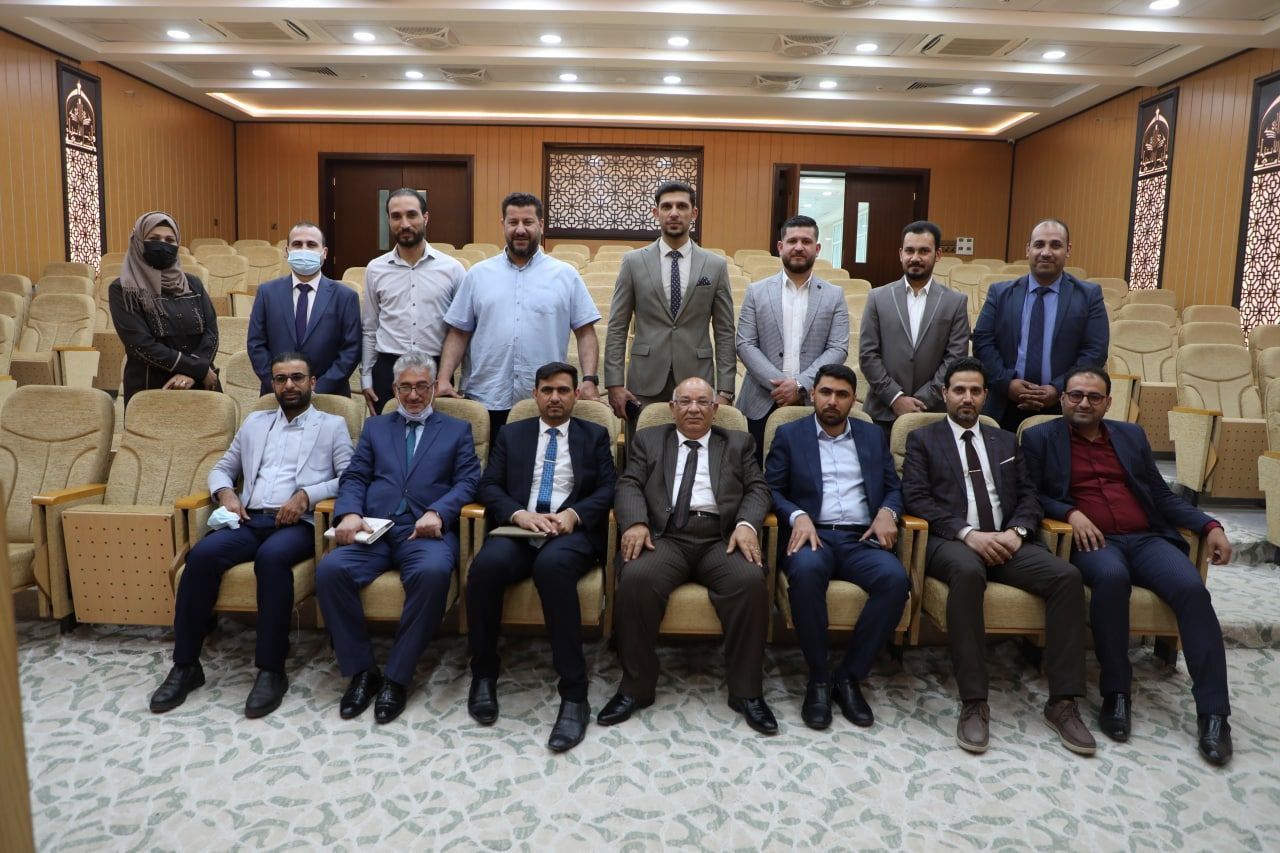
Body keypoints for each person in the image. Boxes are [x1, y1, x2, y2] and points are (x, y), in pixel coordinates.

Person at [1021, 366, 1234, 765]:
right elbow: (1030, 494)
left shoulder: (1131, 435)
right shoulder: (1039, 438)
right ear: (1062, 398)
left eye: (1093, 397)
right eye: (1075, 395)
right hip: (1094, 542)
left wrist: (1210, 525)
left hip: (1146, 538)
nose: (1084, 403)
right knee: (1112, 578)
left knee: (1192, 589)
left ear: (1108, 402)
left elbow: (1160, 495)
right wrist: (1069, 512)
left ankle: (1214, 715)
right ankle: (1116, 693)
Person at [901, 357, 1095, 756]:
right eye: (959, 390)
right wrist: (968, 534)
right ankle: (974, 701)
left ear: (986, 396)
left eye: (975, 391)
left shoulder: (1005, 440)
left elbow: (1029, 496)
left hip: (1007, 541)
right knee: (968, 572)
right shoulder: (923, 440)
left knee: (1067, 577)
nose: (967, 398)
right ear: (945, 394)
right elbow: (917, 499)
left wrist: (1017, 532)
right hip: (952, 543)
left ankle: (1063, 702)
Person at [149, 353, 353, 718]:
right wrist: (226, 493)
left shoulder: (332, 425)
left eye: (297, 377)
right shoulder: (255, 423)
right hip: (250, 519)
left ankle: (271, 670)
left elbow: (350, 476)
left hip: (299, 524)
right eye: (281, 379)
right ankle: (186, 665)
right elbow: (222, 468)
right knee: (201, 557)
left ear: (313, 383)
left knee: (271, 560)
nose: (289, 385)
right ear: (272, 385)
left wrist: (307, 495)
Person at [600, 377, 776, 735]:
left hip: (720, 538)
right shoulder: (649, 439)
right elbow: (629, 483)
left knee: (749, 581)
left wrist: (746, 524)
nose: (693, 409)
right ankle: (635, 688)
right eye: (685, 401)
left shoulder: (738, 442)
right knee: (637, 578)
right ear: (672, 408)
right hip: (665, 537)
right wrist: (636, 522)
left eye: (702, 402)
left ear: (715, 409)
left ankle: (747, 692)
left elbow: (758, 489)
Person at [316, 351, 481, 724]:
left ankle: (397, 678)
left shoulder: (456, 430)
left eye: (421, 386)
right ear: (394, 389)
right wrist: (349, 512)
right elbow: (355, 476)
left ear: (434, 388)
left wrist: (438, 511)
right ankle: (362, 671)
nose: (413, 395)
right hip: (374, 529)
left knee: (432, 573)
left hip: (424, 531)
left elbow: (469, 480)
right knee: (330, 570)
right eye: (405, 387)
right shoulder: (375, 428)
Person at [465, 362, 616, 752]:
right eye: (547, 390)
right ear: (535, 394)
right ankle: (483, 673)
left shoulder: (594, 435)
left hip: (570, 533)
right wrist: (520, 514)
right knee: (485, 567)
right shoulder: (511, 434)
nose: (555, 398)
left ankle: (574, 693)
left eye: (563, 390)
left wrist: (573, 514)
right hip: (521, 528)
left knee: (552, 568)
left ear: (575, 395)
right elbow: (489, 486)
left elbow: (609, 488)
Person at [765, 364, 909, 729]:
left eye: (842, 395)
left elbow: (893, 487)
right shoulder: (789, 434)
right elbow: (771, 489)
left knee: (895, 579)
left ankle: (848, 677)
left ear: (853, 400)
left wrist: (888, 512)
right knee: (807, 572)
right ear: (813, 394)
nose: (832, 401)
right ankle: (818, 678)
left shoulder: (872, 435)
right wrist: (797, 515)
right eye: (826, 392)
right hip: (812, 534)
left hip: (861, 538)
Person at [437, 192, 601, 438]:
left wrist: (589, 379)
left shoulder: (566, 275)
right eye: (513, 222)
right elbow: (459, 332)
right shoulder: (478, 275)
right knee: (488, 462)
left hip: (544, 401)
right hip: (485, 398)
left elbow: (585, 332)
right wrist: (443, 379)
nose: (520, 229)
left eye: (528, 222)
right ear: (503, 224)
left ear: (541, 225)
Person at [603, 182, 736, 429]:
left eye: (682, 206)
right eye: (667, 206)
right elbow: (617, 327)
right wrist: (614, 384)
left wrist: (726, 391)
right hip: (644, 380)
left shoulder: (715, 265)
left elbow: (725, 331)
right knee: (643, 449)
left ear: (693, 213)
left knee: (696, 448)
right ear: (656, 213)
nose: (674, 213)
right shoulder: (633, 262)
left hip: (698, 380)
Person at [972, 219, 1109, 432]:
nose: (1046, 252)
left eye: (1055, 245)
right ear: (1028, 249)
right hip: (1004, 405)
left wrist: (1059, 388)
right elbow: (982, 342)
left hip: (1063, 406)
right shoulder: (1000, 293)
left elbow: (1095, 351)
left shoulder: (1089, 296)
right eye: (1039, 245)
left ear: (1068, 250)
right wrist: (1007, 383)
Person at [736, 215, 849, 462]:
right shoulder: (756, 291)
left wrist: (799, 386)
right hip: (761, 402)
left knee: (809, 473)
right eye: (792, 241)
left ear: (817, 249)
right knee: (758, 474)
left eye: (806, 242)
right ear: (780, 247)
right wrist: (780, 388)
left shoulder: (834, 295)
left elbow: (838, 348)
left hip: (812, 401)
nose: (799, 247)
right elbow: (745, 344)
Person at [361, 188, 466, 415]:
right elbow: (370, 328)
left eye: (411, 215)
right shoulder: (375, 269)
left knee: (433, 434)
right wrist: (366, 376)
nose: (404, 224)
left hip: (435, 370)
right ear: (389, 220)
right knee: (386, 434)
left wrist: (450, 377)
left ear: (425, 217)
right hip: (387, 370)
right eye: (396, 216)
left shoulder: (453, 269)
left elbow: (461, 330)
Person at [859, 220, 970, 434]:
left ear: (938, 255)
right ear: (900, 254)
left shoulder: (955, 302)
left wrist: (922, 400)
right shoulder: (877, 297)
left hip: (933, 413)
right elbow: (867, 355)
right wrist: (896, 398)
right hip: (882, 412)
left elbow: (955, 358)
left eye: (924, 251)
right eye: (909, 250)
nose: (915, 257)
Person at [108, 210, 219, 406]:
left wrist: (193, 373)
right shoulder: (123, 289)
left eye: (170, 240)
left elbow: (211, 333)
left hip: (200, 385)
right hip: (152, 390)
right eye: (154, 239)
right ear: (139, 241)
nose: (163, 245)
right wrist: (198, 368)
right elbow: (140, 345)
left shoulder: (193, 284)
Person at [247, 221, 361, 396]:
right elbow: (256, 344)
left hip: (329, 396)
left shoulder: (345, 296)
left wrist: (319, 388)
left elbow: (351, 349)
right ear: (287, 251)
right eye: (297, 244)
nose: (304, 249)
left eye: (311, 244)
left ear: (324, 253)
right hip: (278, 395)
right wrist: (278, 384)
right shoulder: (266, 292)